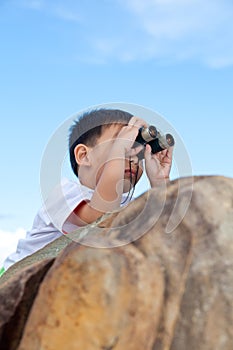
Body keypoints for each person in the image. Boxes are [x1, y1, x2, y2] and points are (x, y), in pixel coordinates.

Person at [1, 108, 173, 275]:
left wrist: (160, 184)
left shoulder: (130, 205)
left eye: (140, 153)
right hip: (13, 280)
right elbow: (100, 218)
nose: (133, 158)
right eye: (121, 146)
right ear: (83, 155)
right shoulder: (66, 193)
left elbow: (163, 231)